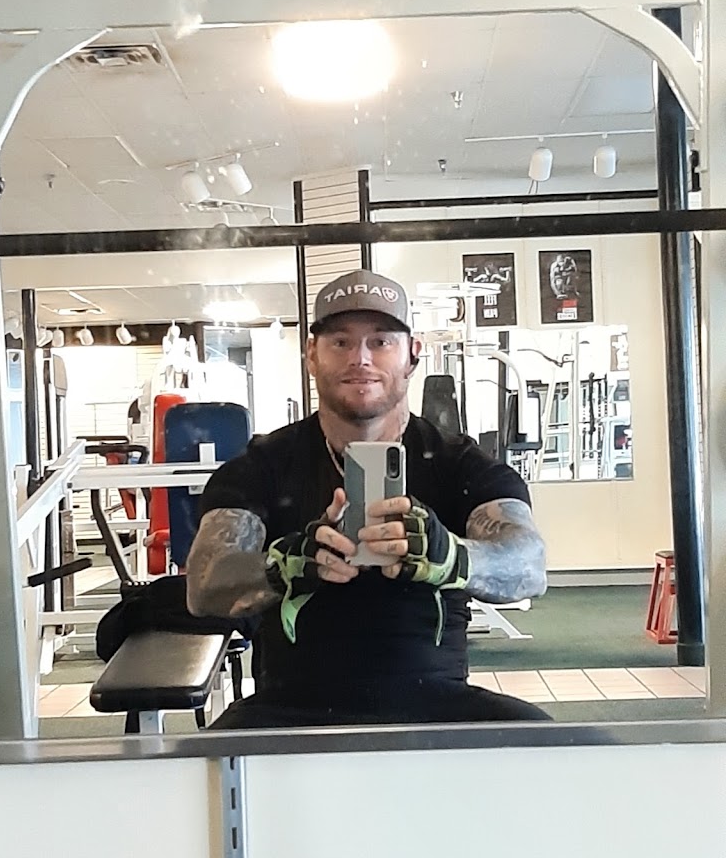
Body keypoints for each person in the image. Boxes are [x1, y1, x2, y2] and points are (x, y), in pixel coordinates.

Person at [187, 269, 549, 728]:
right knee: (199, 767)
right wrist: (286, 563)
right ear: (311, 356)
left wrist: (452, 556)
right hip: (290, 708)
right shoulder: (263, 465)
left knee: (569, 755)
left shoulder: (459, 464)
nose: (360, 358)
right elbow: (203, 585)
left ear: (412, 354)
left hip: (436, 706)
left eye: (380, 342)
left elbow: (529, 565)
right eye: (340, 342)